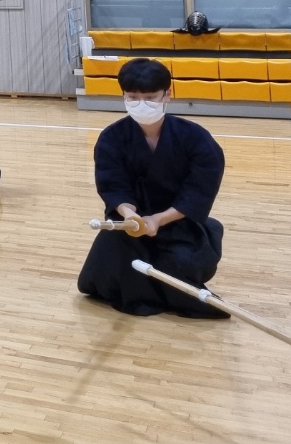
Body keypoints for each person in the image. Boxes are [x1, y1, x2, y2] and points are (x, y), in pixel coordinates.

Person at [77, 57, 227, 318]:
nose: (141, 104)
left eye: (150, 97)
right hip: (131, 226)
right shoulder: (111, 137)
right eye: (133, 97)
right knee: (107, 277)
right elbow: (113, 185)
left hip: (178, 224)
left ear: (167, 94)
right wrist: (130, 216)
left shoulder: (196, 138)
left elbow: (198, 192)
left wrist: (158, 219)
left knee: (177, 265)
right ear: (123, 96)